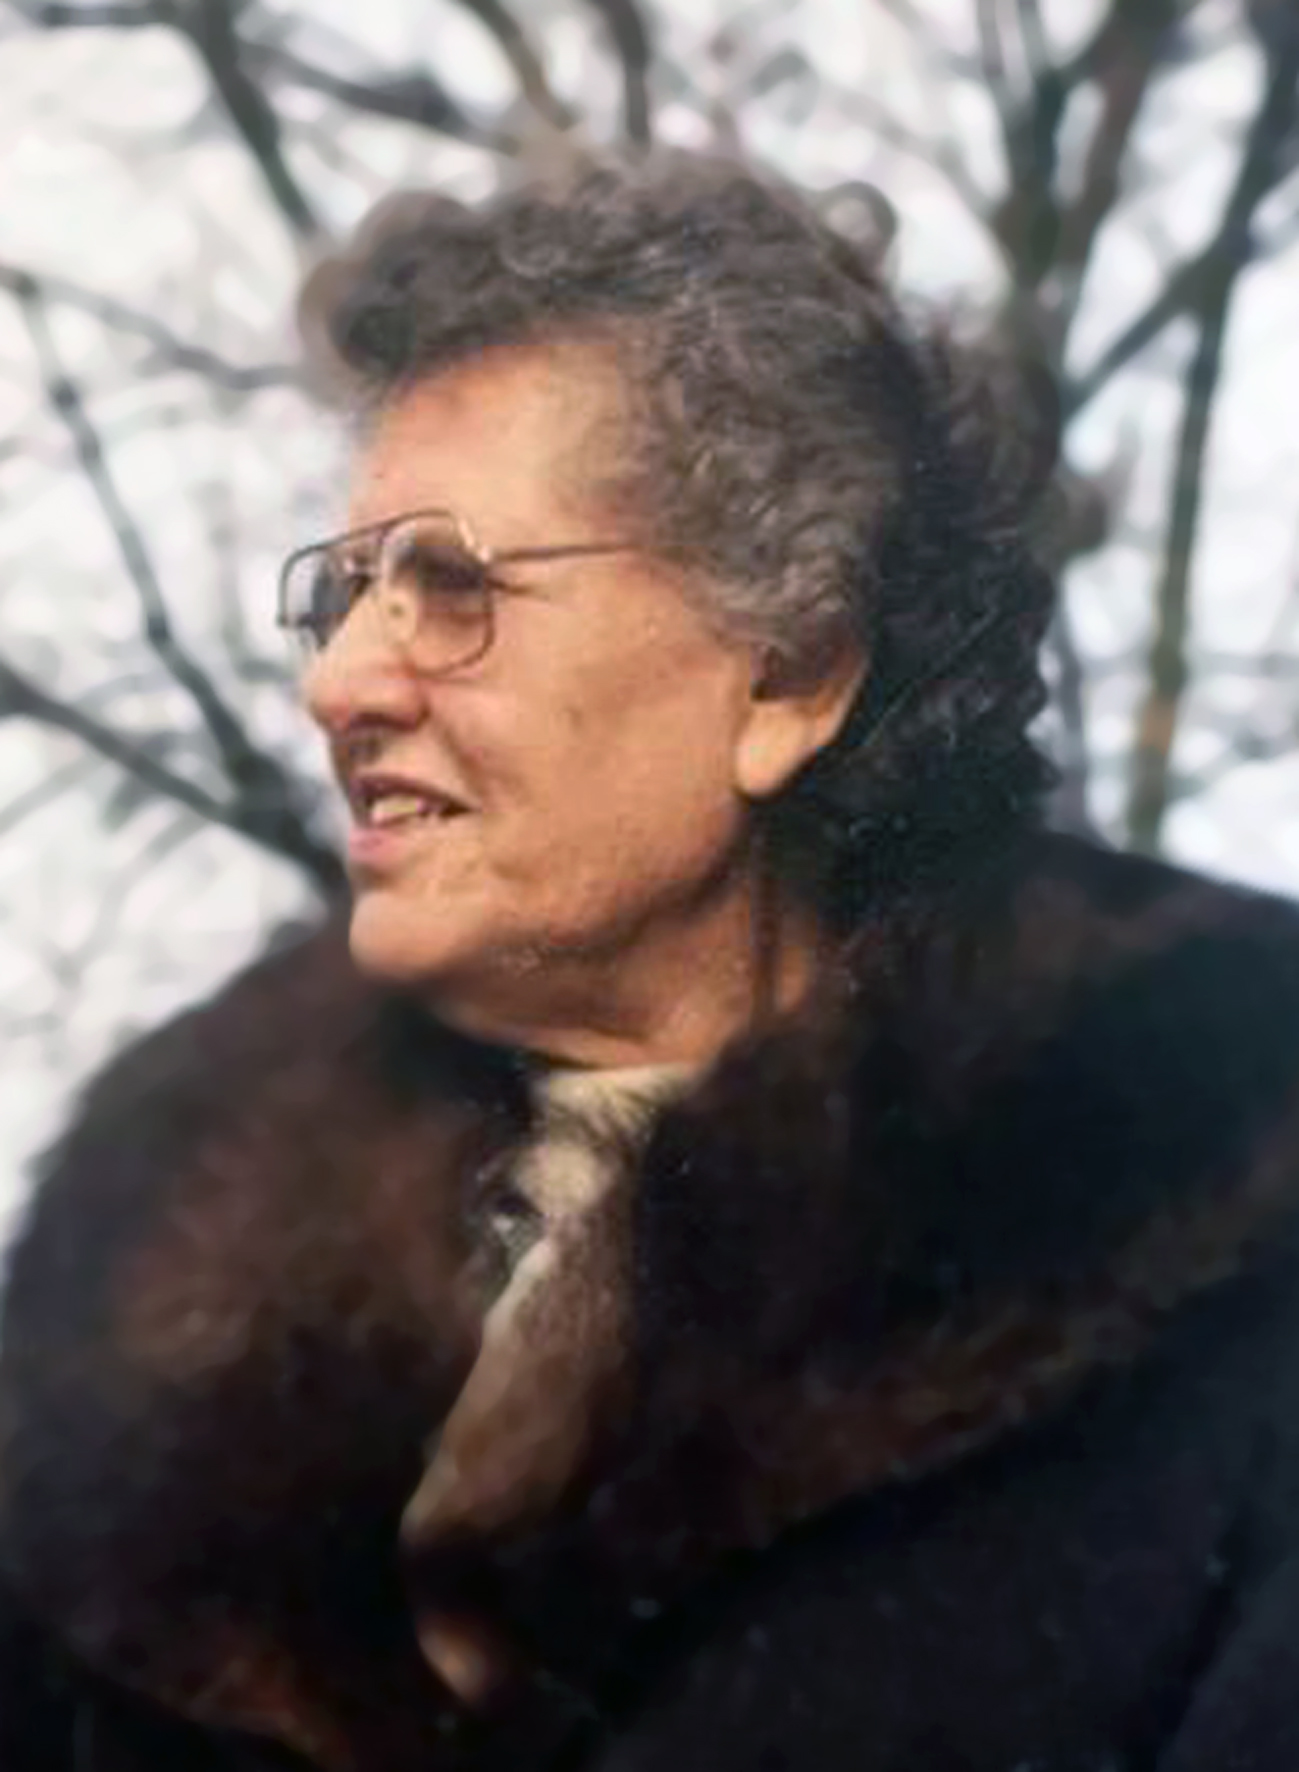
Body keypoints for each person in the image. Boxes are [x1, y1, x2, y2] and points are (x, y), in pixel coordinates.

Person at [5, 149, 1299, 1772]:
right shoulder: (133, 1291)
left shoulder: (1228, 1260)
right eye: (342, 597)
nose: (341, 683)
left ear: (792, 674)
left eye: (450, 585)